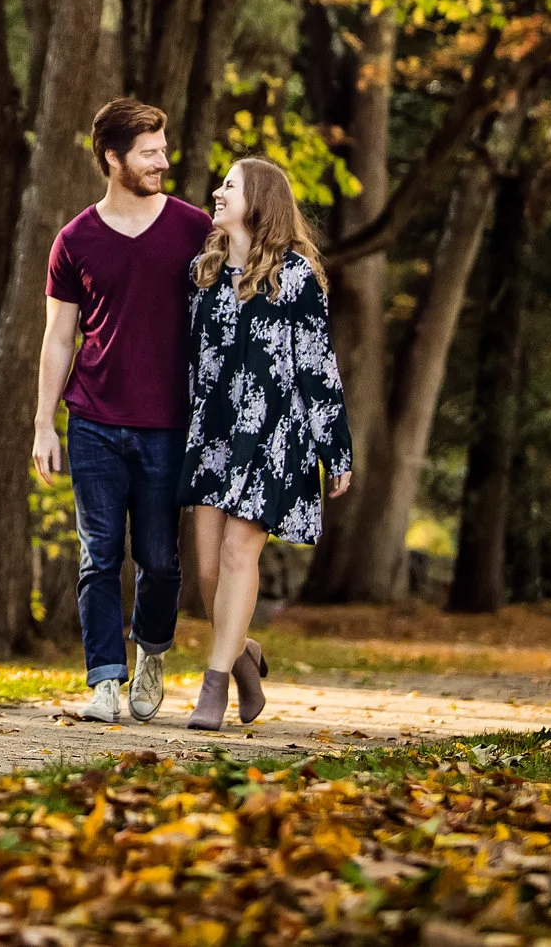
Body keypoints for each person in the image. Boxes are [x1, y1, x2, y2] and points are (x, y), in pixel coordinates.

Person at [32, 99, 213, 723]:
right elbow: (59, 337)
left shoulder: (194, 229)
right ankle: (105, 679)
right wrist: (42, 423)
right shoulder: (75, 239)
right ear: (113, 158)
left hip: (169, 423)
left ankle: (152, 653)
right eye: (149, 152)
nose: (163, 161)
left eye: (163, 149)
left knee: (160, 561)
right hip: (94, 419)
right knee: (99, 554)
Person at [180, 156, 353, 731]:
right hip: (213, 434)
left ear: (260, 200)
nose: (218, 191)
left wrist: (336, 450)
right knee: (206, 568)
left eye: (230, 185)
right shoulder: (201, 274)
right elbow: (192, 364)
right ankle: (244, 656)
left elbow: (319, 367)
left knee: (237, 555)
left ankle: (213, 687)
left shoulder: (296, 276)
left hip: (275, 435)